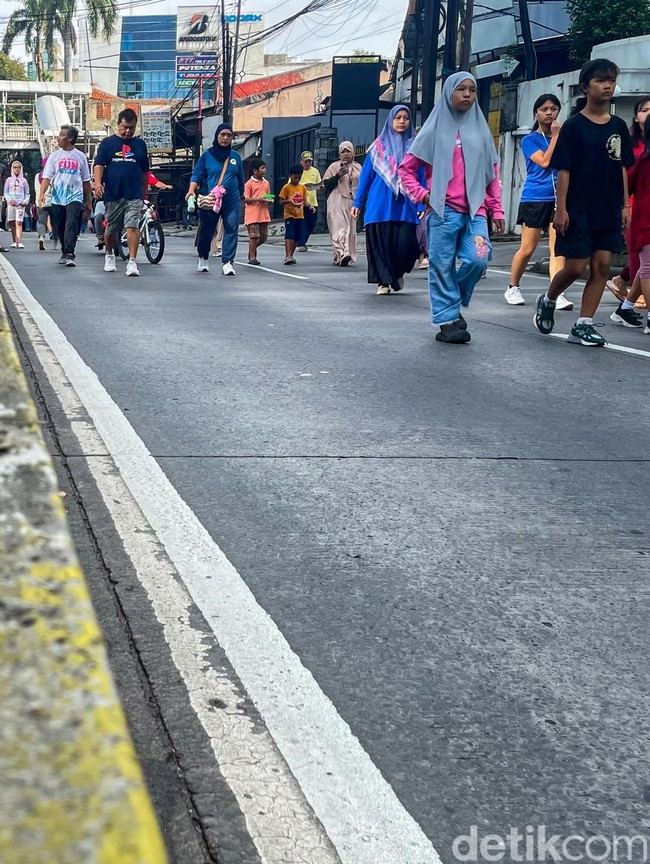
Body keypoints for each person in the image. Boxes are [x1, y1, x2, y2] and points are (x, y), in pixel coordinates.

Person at [533, 58, 635, 347]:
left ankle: (584, 323)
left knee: (602, 266)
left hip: (608, 206)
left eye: (612, 80)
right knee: (576, 266)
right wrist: (561, 208)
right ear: (585, 87)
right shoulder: (574, 127)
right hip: (578, 206)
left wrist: (624, 205)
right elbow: (563, 169)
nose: (608, 85)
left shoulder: (617, 125)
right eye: (601, 80)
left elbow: (622, 167)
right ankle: (548, 298)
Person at [398, 72, 505, 344]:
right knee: (441, 266)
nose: (467, 95)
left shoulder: (480, 128)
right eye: (461, 90)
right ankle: (448, 321)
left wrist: (497, 208)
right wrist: (423, 195)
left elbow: (491, 172)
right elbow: (406, 170)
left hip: (476, 212)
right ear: (448, 93)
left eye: (472, 90)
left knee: (478, 258)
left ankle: (451, 302)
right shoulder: (434, 129)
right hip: (442, 213)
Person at [506, 94, 572, 311]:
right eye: (544, 109)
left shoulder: (564, 137)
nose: (549, 113)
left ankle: (557, 292)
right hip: (534, 198)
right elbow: (544, 161)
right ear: (536, 112)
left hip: (558, 198)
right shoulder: (529, 139)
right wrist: (555, 137)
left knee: (557, 248)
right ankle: (513, 286)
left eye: (553, 108)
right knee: (527, 248)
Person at [352, 105, 421, 295]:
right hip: (380, 204)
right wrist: (358, 202)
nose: (401, 121)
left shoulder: (416, 146)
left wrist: (423, 201)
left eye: (406, 118)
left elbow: (421, 175)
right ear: (390, 121)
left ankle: (397, 273)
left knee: (407, 245)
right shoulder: (377, 147)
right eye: (397, 117)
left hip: (406, 204)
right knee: (380, 244)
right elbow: (366, 177)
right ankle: (383, 281)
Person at [606, 95, 650, 314]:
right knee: (643, 262)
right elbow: (624, 181)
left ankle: (627, 303)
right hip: (636, 211)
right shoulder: (632, 148)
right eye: (645, 110)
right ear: (636, 116)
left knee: (646, 262)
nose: (649, 113)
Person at [94, 107, 150, 277]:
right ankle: (109, 254)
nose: (127, 131)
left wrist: (144, 194)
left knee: (132, 226)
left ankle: (132, 262)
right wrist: (97, 184)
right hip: (113, 193)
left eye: (131, 128)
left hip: (134, 194)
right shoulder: (107, 143)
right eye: (124, 127)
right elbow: (99, 165)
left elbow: (144, 172)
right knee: (111, 229)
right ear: (118, 124)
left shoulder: (140, 145)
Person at [186, 123, 244, 276]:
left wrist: (241, 196)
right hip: (210, 200)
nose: (225, 138)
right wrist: (191, 191)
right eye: (222, 135)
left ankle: (228, 262)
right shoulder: (207, 155)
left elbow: (240, 179)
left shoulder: (235, 157)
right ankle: (203, 257)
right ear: (217, 136)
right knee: (207, 230)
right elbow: (197, 174)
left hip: (231, 200)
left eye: (228, 135)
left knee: (231, 229)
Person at [39, 125, 92, 267]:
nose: (58, 138)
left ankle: (70, 253)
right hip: (58, 197)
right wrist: (41, 195)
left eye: (62, 135)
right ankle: (64, 250)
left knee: (71, 223)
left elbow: (86, 180)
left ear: (70, 138)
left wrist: (89, 200)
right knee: (60, 226)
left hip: (75, 196)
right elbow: (47, 177)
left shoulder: (80, 157)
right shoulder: (54, 157)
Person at [624, 115, 650, 333]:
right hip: (645, 222)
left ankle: (626, 306)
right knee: (649, 268)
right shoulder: (643, 161)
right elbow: (626, 186)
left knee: (646, 267)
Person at [322, 141, 362, 266]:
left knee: (350, 228)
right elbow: (326, 184)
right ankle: (342, 253)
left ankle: (341, 254)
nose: (345, 154)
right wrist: (337, 176)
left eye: (348, 151)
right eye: (343, 151)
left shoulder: (358, 167)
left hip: (352, 201)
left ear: (353, 152)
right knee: (339, 227)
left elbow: (363, 185)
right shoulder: (334, 167)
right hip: (337, 199)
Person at [278, 165, 311, 265]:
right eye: (295, 177)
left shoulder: (302, 188)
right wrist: (289, 201)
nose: (297, 179)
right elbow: (281, 201)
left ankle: (291, 255)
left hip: (300, 215)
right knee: (289, 234)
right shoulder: (286, 187)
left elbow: (305, 201)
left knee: (297, 236)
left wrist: (310, 206)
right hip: (289, 215)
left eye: (299, 177)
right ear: (290, 176)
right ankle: (287, 256)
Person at [243, 158, 271, 265]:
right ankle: (252, 257)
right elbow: (245, 199)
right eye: (262, 168)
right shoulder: (248, 184)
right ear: (255, 170)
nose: (265, 170)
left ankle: (252, 249)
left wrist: (269, 200)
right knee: (254, 236)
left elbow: (268, 195)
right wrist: (259, 199)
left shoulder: (266, 183)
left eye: (265, 168)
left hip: (263, 214)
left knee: (263, 237)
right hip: (253, 214)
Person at [297, 151, 321, 251]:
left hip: (312, 202)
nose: (308, 163)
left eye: (309, 161)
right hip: (300, 203)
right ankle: (301, 243)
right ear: (301, 161)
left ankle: (302, 241)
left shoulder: (315, 171)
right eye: (306, 161)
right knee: (303, 223)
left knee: (312, 223)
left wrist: (320, 186)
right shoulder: (297, 171)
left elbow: (319, 184)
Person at [4, 160, 30, 248]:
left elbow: (27, 193)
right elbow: (6, 192)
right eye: (14, 167)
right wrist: (10, 200)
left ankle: (19, 241)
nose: (16, 169)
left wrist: (25, 201)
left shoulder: (24, 181)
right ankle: (14, 241)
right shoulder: (9, 180)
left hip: (20, 204)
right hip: (11, 204)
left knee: (19, 222)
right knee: (12, 222)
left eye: (18, 167)